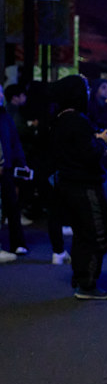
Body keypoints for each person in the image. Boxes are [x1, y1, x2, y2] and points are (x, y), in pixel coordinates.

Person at [49, 76, 107, 299]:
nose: (88, 93)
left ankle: (81, 276)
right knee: (97, 233)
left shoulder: (59, 119)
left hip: (69, 184)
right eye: (85, 89)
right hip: (85, 185)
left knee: (82, 234)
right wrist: (102, 141)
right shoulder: (76, 120)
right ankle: (87, 283)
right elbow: (90, 153)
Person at [0, 84, 29, 256]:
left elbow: (15, 141)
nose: (1, 95)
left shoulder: (5, 116)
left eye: (1, 92)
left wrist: (22, 162)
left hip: (6, 168)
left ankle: (17, 243)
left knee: (12, 206)